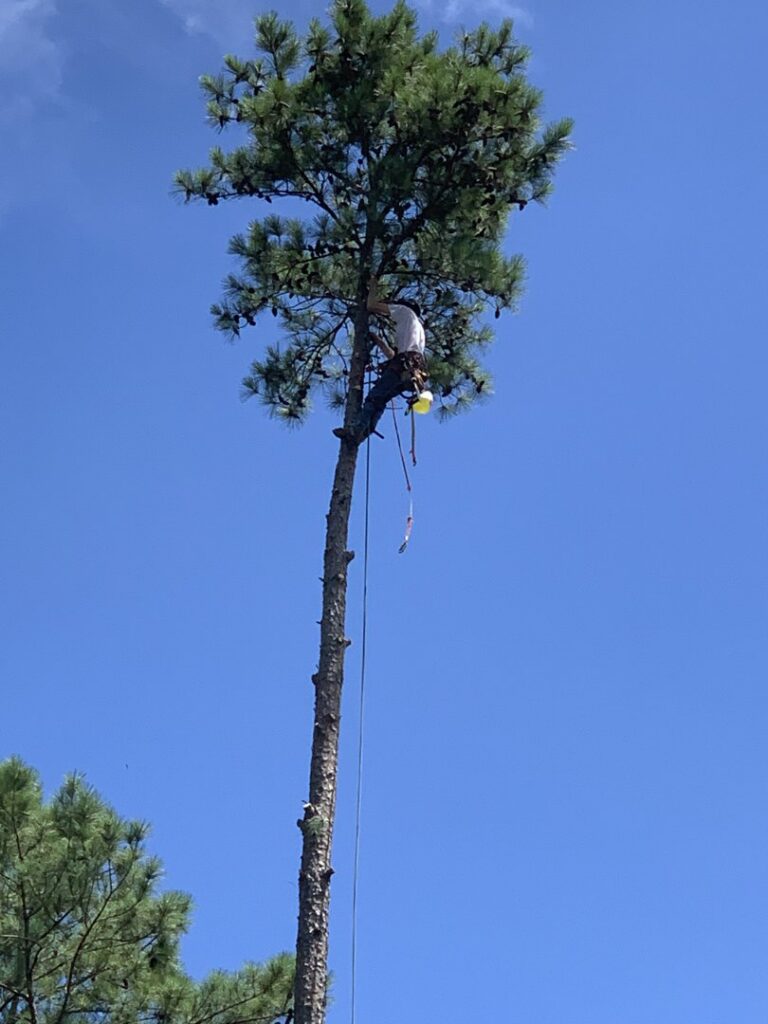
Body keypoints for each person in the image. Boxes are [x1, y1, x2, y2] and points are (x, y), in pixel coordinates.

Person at [334, 277, 428, 444]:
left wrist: (373, 285)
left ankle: (355, 430)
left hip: (404, 365)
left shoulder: (405, 312)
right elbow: (395, 357)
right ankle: (366, 430)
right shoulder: (417, 329)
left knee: (374, 397)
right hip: (410, 369)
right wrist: (378, 340)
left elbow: (371, 305)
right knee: (381, 399)